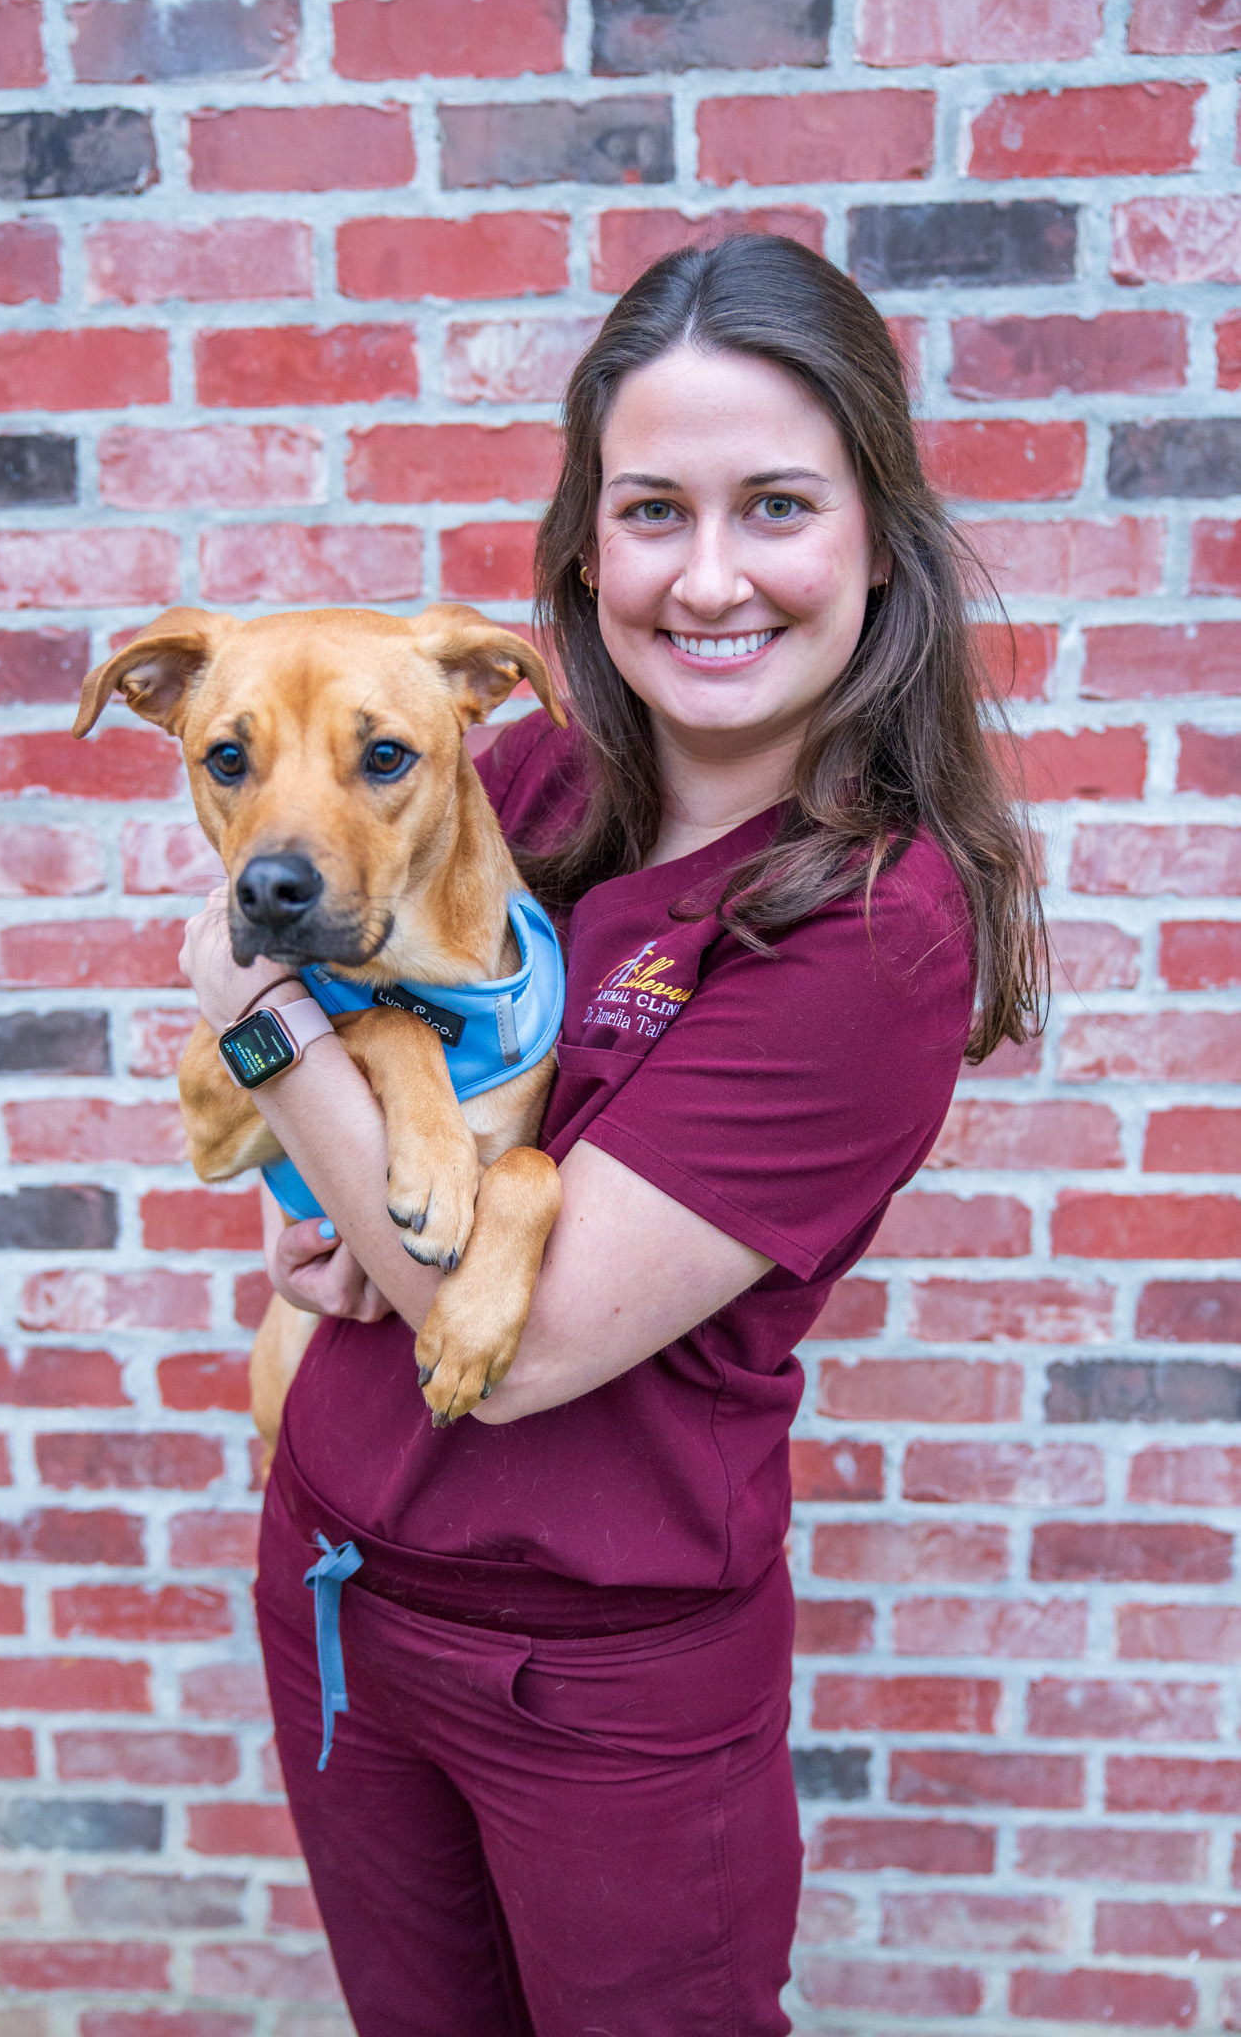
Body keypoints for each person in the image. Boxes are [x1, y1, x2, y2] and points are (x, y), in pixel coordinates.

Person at [179, 235, 1046, 2037]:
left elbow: (526, 1346)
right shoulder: (514, 780)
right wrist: (324, 1178)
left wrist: (250, 1004)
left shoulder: (869, 932)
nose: (708, 576)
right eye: (653, 509)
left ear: (875, 539)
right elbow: (324, 1158)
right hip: (337, 1582)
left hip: (600, 1690)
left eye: (777, 506)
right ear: (586, 540)